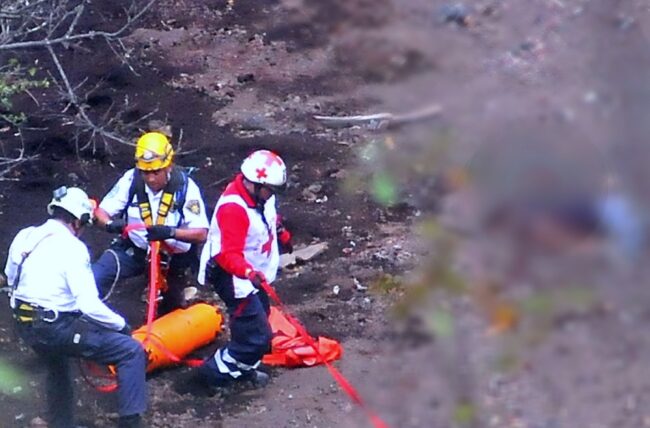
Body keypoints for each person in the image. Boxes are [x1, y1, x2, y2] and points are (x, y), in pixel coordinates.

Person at [4, 186, 147, 428]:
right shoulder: (73, 248)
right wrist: (121, 325)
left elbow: (10, 277)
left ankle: (62, 423)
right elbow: (89, 305)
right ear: (78, 221)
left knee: (57, 360)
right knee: (130, 351)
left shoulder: (25, 235)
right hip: (53, 326)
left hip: (24, 324)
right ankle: (131, 424)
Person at [196, 149, 293, 387]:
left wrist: (282, 234)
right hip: (233, 278)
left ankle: (241, 369)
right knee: (257, 338)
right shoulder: (234, 209)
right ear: (255, 183)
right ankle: (213, 375)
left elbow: (270, 219)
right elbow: (227, 254)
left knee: (257, 323)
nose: (272, 196)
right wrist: (248, 273)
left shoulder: (261, 196)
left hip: (253, 276)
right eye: (270, 190)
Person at [92, 131, 209, 315]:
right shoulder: (131, 180)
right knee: (96, 276)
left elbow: (202, 233)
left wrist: (171, 233)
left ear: (168, 166)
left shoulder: (185, 188)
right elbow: (100, 212)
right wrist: (109, 225)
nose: (151, 178)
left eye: (156, 172)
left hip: (171, 258)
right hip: (135, 250)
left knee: (170, 309)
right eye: (146, 172)